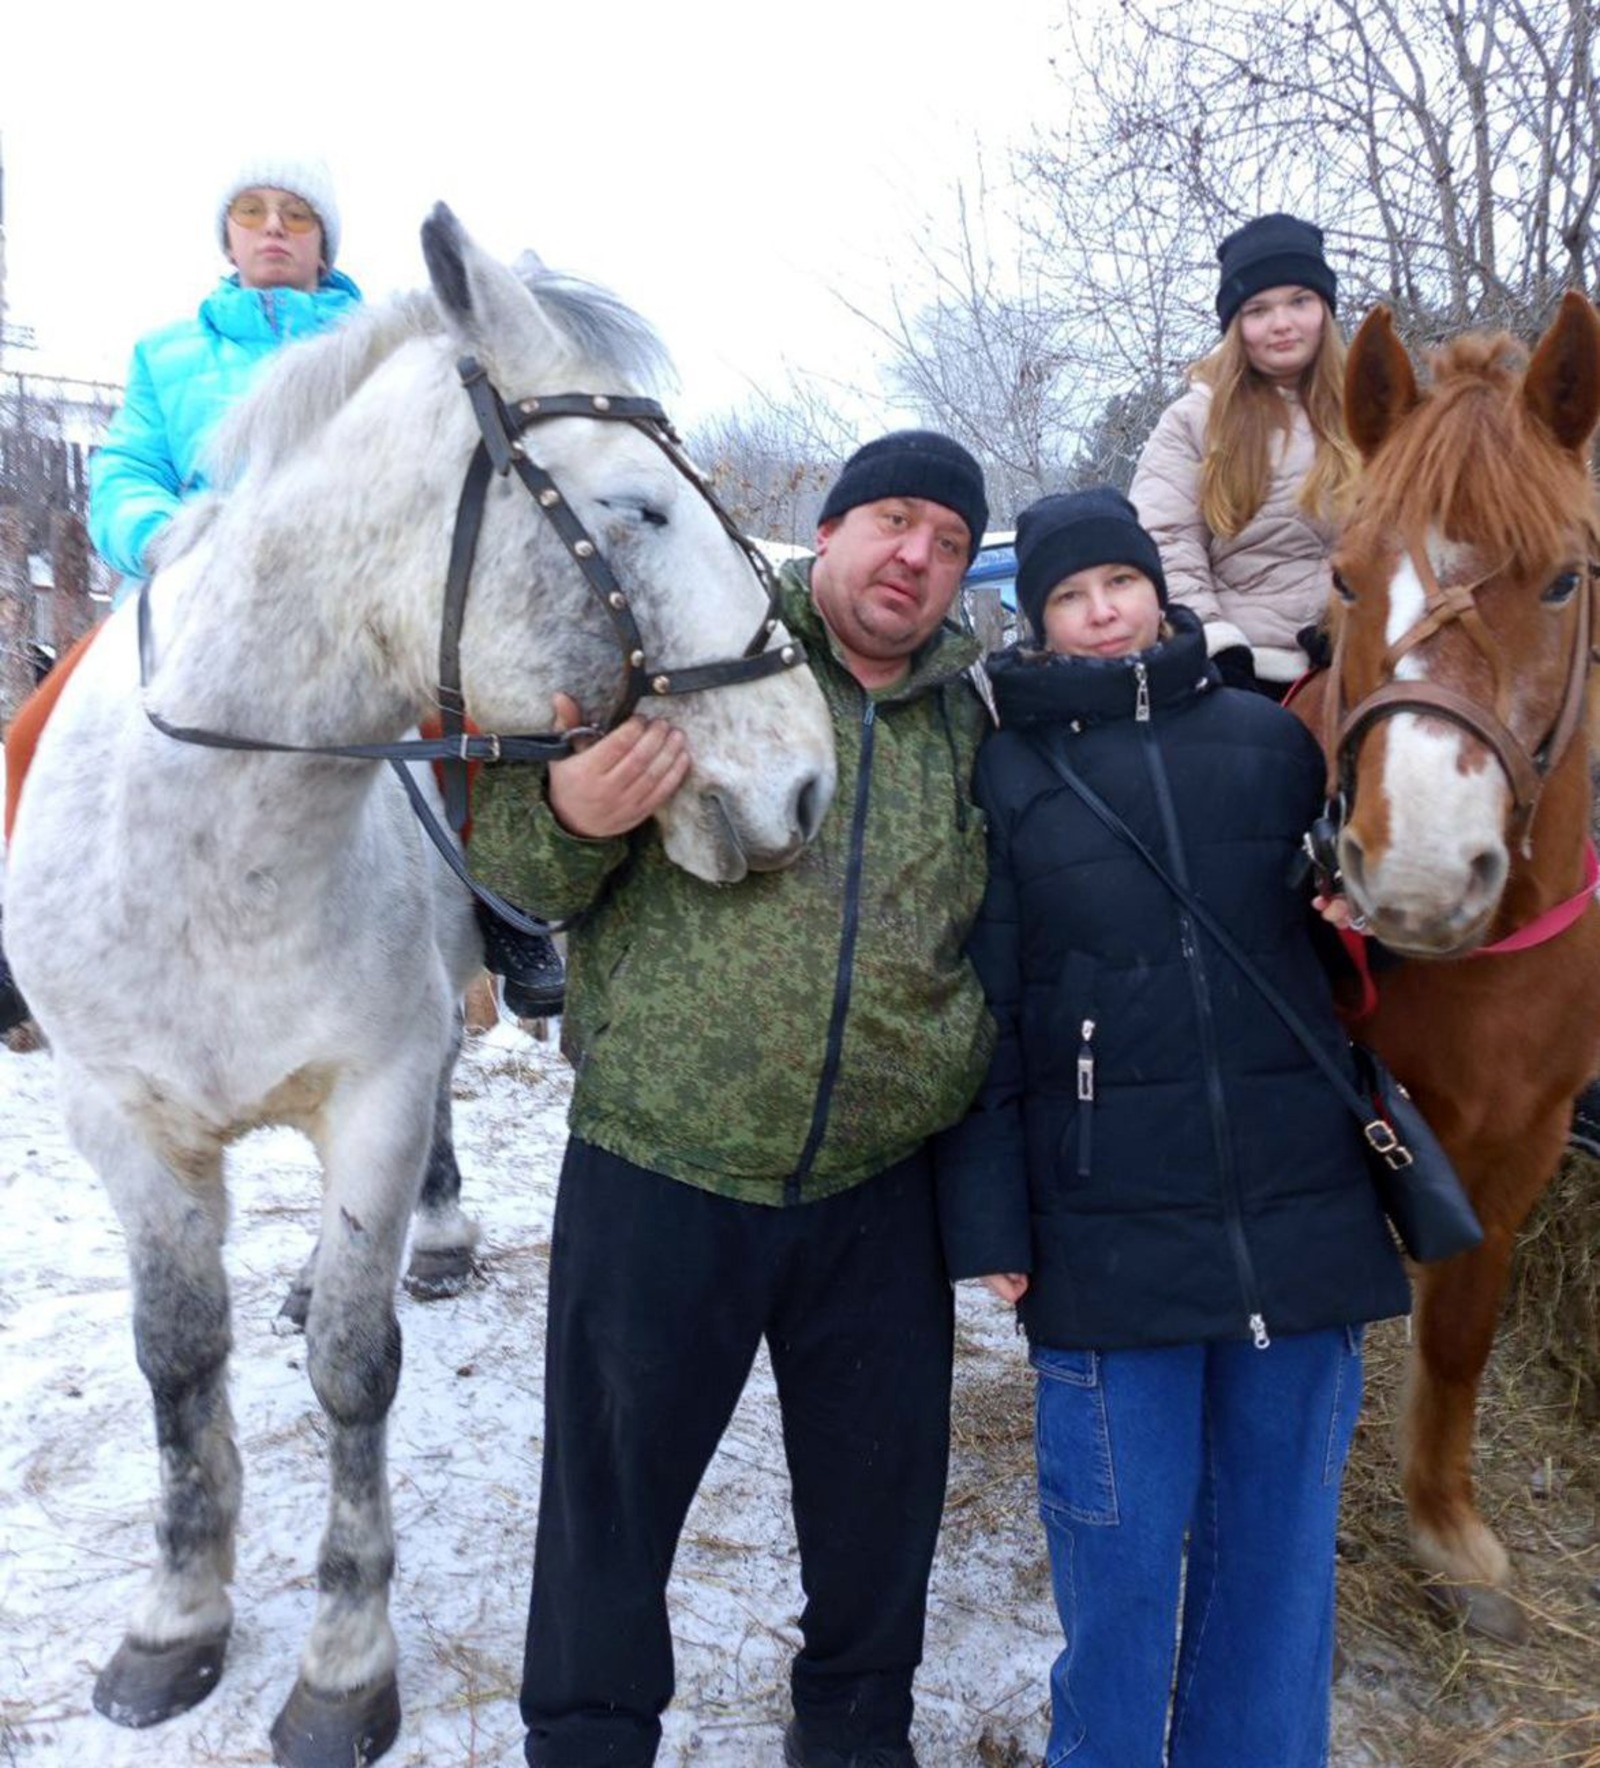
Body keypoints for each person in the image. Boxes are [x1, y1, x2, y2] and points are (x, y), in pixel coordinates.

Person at [467, 431, 997, 1768]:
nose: (916, 559)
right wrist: (573, 811)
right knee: (611, 1498)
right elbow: (525, 884)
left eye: (946, 541)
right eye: (893, 520)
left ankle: (857, 1732)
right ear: (830, 529)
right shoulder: (689, 656)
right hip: (661, 1165)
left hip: (880, 1190)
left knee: (881, 1510)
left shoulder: (978, 719)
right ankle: (588, 1737)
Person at [937, 489, 1410, 1768]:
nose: (1100, 612)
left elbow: (1351, 965)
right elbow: (990, 1008)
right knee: (1121, 1565)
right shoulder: (1009, 773)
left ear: (1158, 590)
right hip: (1104, 1240)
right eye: (1068, 597)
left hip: (1295, 1217)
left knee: (1276, 1568)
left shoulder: (1269, 746)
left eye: (1118, 585)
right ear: (1035, 623)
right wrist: (992, 1219)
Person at [0, 154, 563, 1027]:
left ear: (323, 240)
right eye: (253, 210)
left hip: (355, 611)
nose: (272, 228)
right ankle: (21, 927)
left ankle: (505, 912)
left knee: (476, 731)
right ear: (226, 232)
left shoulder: (392, 344)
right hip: (189, 600)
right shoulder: (167, 353)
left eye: (295, 215)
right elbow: (126, 469)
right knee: (36, 732)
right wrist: (160, 537)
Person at [1129, 212, 1359, 698]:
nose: (1282, 324)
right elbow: (1166, 543)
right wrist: (1215, 645)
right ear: (1236, 325)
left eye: (1300, 301)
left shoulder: (1373, 410)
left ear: (1325, 309)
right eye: (1258, 310)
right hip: (1250, 672)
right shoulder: (1193, 422)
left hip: (1370, 656)